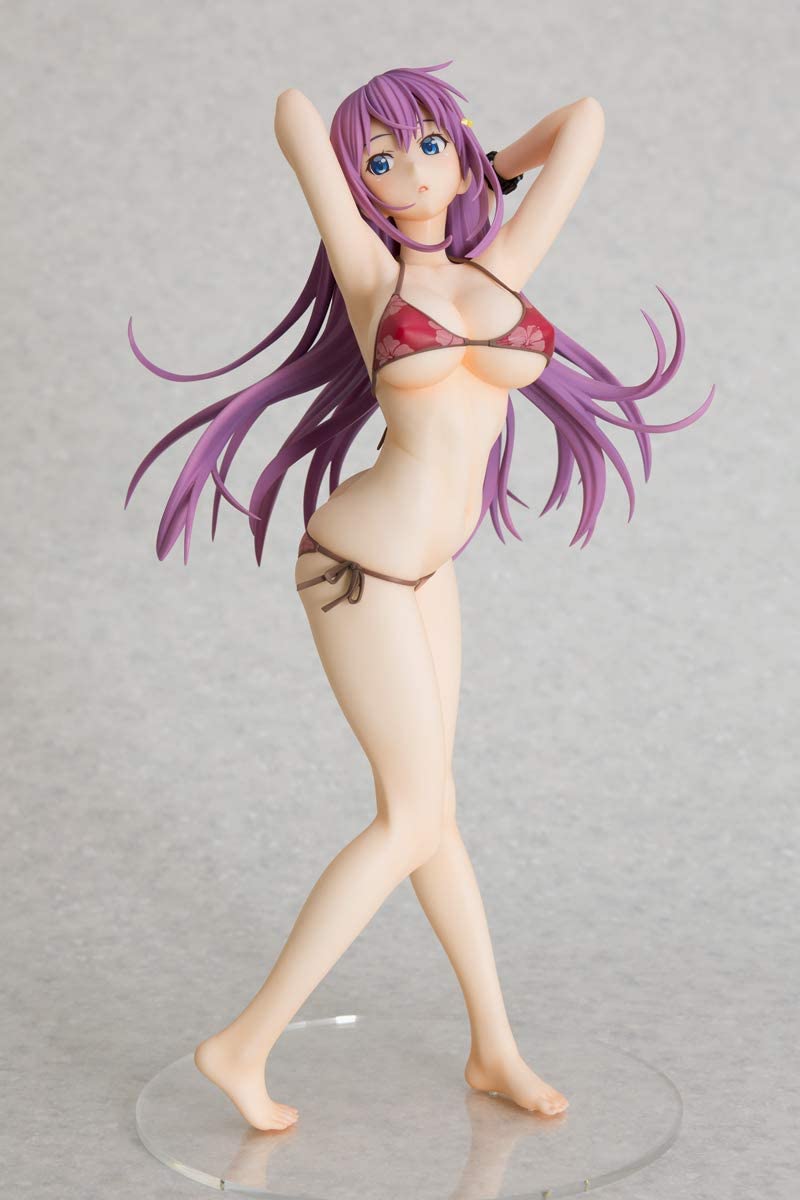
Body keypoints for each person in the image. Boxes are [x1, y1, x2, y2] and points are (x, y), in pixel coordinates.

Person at [126, 60, 713, 1131]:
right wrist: (366, 151)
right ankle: (242, 1044)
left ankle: (492, 1047)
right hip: (355, 569)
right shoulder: (368, 274)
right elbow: (294, 113)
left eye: (429, 145)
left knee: (433, 813)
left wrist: (487, 165)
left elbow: (584, 122)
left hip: (429, 569)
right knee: (407, 819)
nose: (411, 169)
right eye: (383, 158)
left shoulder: (501, 262)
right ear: (360, 182)